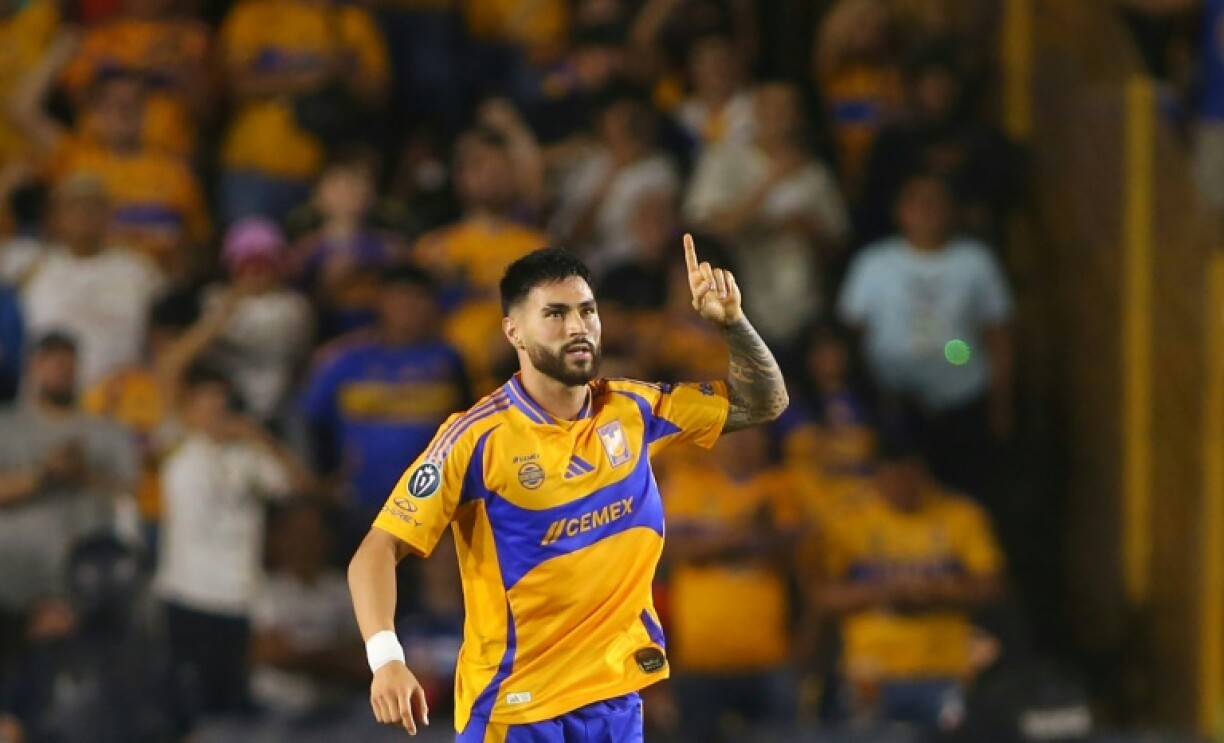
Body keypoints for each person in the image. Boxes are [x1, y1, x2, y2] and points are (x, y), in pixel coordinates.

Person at [347, 236, 788, 740]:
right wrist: (386, 660)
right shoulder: (477, 439)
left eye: (587, 311)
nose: (578, 327)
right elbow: (375, 552)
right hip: (516, 711)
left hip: (615, 702)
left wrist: (732, 325)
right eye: (555, 314)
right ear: (513, 330)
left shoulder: (635, 409)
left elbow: (764, 403)